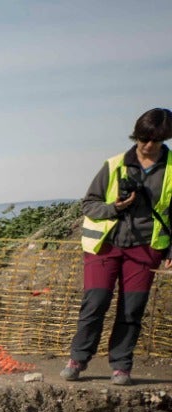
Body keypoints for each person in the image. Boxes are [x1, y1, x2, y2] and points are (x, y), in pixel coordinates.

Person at [62, 107, 172, 387]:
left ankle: (121, 366)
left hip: (146, 248)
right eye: (143, 138)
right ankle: (77, 359)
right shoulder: (113, 165)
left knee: (132, 309)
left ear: (165, 139)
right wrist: (114, 208)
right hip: (105, 245)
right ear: (136, 135)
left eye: (155, 140)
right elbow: (89, 204)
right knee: (95, 303)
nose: (148, 146)